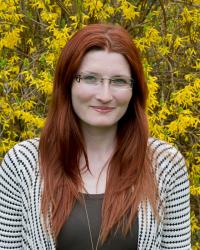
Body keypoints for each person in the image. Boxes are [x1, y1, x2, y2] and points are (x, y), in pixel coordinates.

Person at [0, 24, 191, 250]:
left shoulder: (165, 164)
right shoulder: (23, 163)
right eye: (90, 78)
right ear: (67, 82)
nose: (104, 95)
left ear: (134, 90)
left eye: (119, 81)